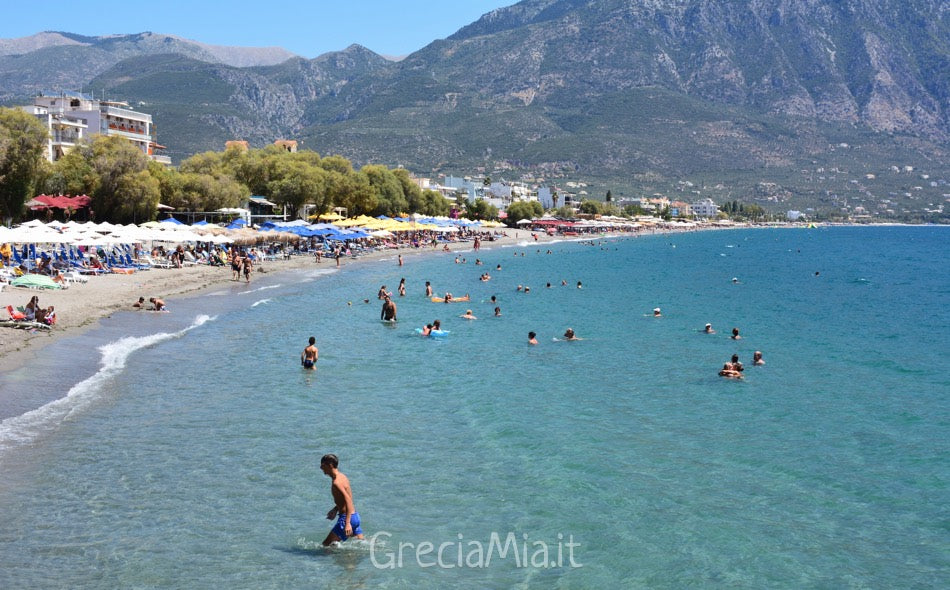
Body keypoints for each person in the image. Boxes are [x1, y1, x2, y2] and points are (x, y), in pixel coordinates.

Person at [320, 454, 364, 546]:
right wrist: (336, 509)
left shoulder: (336, 482)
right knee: (362, 545)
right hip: (355, 516)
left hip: (347, 518)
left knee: (325, 546)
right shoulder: (342, 476)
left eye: (322, 465)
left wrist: (347, 523)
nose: (320, 467)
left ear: (330, 465)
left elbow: (348, 500)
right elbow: (347, 498)